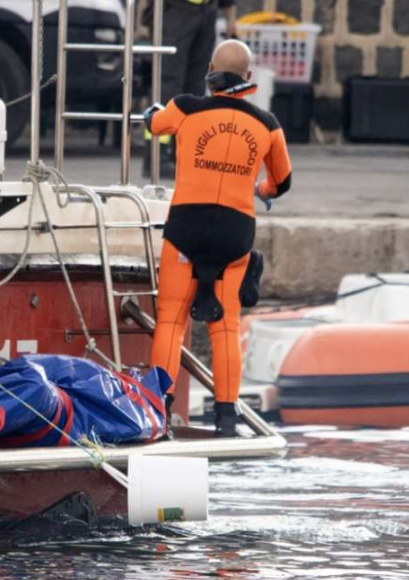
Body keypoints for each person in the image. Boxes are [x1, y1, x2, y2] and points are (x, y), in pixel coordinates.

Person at [146, 39, 291, 437]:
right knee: (226, 325)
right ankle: (226, 417)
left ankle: (160, 411)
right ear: (248, 77)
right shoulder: (267, 125)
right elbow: (282, 182)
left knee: (171, 320)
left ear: (210, 69)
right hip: (234, 232)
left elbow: (153, 124)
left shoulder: (186, 107)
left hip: (186, 226)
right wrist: (260, 191)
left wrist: (152, 115)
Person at [137, 0, 238, 179]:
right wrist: (141, 16)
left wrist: (230, 15)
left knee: (196, 87)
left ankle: (186, 155)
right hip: (174, 10)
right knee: (167, 85)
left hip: (206, 10)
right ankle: (156, 156)